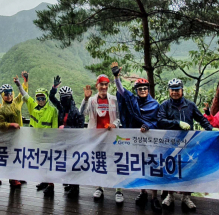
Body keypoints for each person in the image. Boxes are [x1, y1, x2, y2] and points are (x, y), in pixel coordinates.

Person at [157, 78, 217, 212]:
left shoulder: (190, 105)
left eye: (177, 90)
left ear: (182, 90)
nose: (175, 92)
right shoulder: (165, 105)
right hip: (171, 143)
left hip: (187, 143)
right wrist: (177, 123)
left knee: (188, 169)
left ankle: (186, 197)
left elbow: (201, 119)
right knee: (171, 168)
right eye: (172, 90)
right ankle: (170, 195)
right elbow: (160, 121)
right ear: (169, 91)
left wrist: (210, 129)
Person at [110, 62, 162, 211]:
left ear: (148, 90)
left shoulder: (154, 104)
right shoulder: (133, 100)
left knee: (152, 167)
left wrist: (149, 126)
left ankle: (154, 197)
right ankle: (142, 193)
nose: (143, 91)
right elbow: (121, 92)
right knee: (140, 167)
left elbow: (157, 121)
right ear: (137, 91)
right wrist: (116, 77)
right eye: (140, 89)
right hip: (137, 140)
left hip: (150, 141)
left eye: (145, 88)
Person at [81, 74, 122, 204]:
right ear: (97, 86)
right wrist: (85, 99)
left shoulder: (114, 100)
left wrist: (114, 124)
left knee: (115, 162)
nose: (104, 87)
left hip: (112, 136)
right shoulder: (92, 100)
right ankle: (99, 187)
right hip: (96, 137)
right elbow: (82, 113)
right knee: (99, 161)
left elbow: (120, 117)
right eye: (101, 84)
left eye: (106, 85)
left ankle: (118, 190)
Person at [20, 76, 58, 197]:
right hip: (36, 141)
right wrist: (18, 84)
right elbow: (25, 95)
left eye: (42, 98)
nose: (40, 100)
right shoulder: (33, 107)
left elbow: (55, 128)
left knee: (49, 164)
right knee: (41, 163)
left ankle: (51, 186)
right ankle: (44, 181)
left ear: (46, 98)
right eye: (38, 98)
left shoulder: (52, 111)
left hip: (48, 142)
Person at [49, 76, 84, 198]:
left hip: (73, 143)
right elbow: (51, 98)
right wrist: (54, 88)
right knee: (66, 163)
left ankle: (75, 188)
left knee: (73, 164)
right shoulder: (62, 108)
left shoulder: (76, 112)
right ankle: (69, 183)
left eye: (66, 98)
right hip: (63, 141)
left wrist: (66, 129)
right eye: (62, 98)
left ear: (71, 98)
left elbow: (80, 130)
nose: (64, 100)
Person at [0, 72, 29, 187]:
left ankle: (18, 175)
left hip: (20, 134)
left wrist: (24, 81)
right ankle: (12, 179)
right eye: (6, 94)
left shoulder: (16, 102)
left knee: (19, 156)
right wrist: (10, 124)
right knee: (12, 157)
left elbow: (24, 94)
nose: (9, 96)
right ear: (2, 95)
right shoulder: (2, 109)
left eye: (10, 93)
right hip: (10, 136)